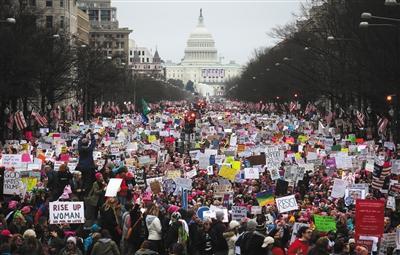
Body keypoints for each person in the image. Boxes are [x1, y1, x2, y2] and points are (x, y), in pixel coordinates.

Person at [77, 130, 96, 195]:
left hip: (81, 166)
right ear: (88, 143)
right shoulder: (90, 149)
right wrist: (92, 134)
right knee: (88, 180)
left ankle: (81, 190)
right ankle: (86, 192)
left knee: (82, 179)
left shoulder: (80, 149)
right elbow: (94, 142)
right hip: (89, 167)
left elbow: (79, 141)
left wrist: (85, 134)